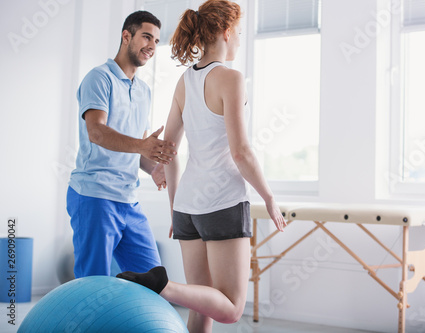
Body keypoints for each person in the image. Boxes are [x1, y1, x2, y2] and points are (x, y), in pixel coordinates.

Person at [117, 1, 286, 332]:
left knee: (202, 303)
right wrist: (268, 196)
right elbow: (242, 152)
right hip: (222, 202)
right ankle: (164, 287)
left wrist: (174, 207)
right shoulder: (231, 79)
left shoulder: (184, 82)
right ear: (225, 32)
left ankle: (167, 286)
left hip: (187, 208)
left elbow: (169, 151)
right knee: (232, 308)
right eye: (237, 33)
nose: (238, 39)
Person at [67, 11, 176, 278]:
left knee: (154, 278)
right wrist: (142, 146)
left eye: (157, 41)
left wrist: (153, 168)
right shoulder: (99, 78)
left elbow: (138, 147)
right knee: (93, 283)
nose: (152, 46)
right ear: (126, 36)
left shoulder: (144, 91)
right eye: (146, 36)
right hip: (95, 195)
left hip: (129, 199)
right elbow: (97, 132)